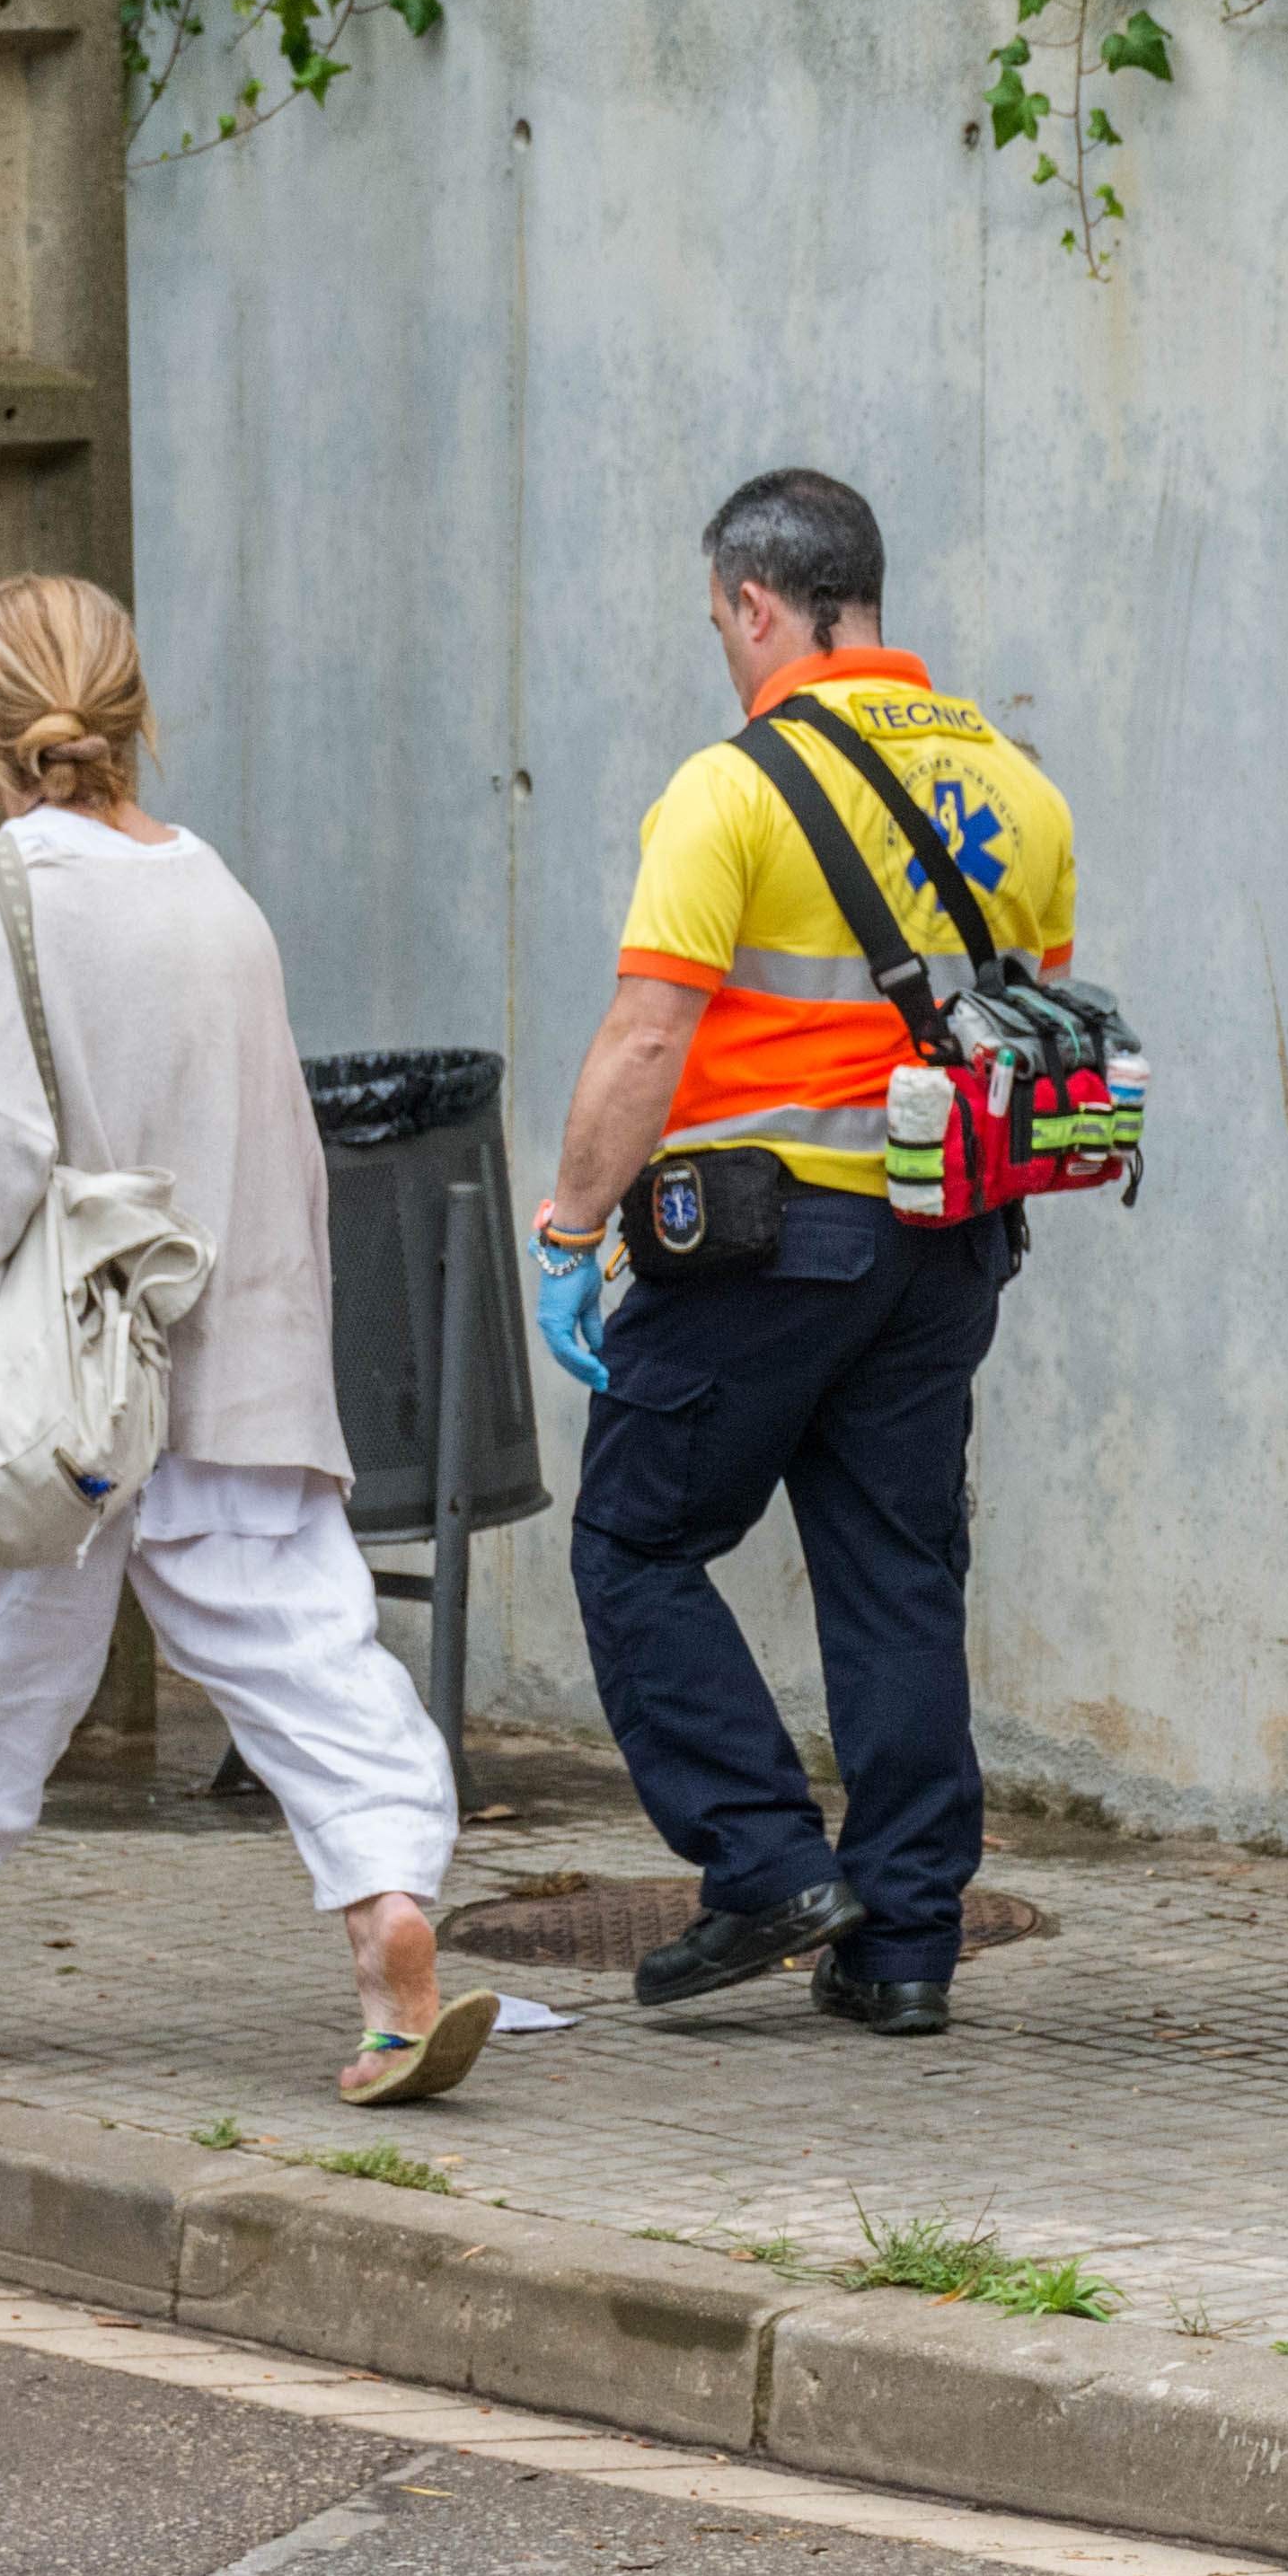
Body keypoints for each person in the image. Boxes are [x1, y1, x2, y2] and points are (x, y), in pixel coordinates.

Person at [0, 575, 496, 2108]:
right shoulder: (215, 888)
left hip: (51, 1375)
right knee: (304, 1647)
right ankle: (391, 1906)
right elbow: (279, 1146)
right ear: (130, 713)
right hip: (230, 1352)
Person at [527, 469, 1079, 2038]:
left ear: (758, 605)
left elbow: (649, 1034)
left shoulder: (737, 786)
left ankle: (765, 1863)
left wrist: (571, 1229)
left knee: (635, 1540)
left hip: (764, 1246)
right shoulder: (1014, 784)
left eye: (721, 622)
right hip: (944, 1237)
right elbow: (1028, 1018)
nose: (724, 646)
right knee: (897, 1574)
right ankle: (905, 1943)